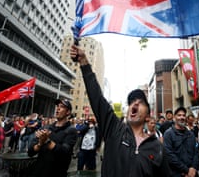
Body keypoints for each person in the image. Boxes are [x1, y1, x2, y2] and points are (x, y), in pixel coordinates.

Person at [70, 44, 171, 177]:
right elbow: (97, 98)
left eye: (140, 102)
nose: (134, 103)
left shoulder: (157, 148)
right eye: (131, 102)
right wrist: (84, 62)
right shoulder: (114, 129)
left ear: (148, 116)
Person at [27, 99, 77, 177]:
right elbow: (30, 152)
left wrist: (47, 141)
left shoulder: (71, 130)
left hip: (56, 173)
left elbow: (65, 153)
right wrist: (40, 144)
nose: (58, 108)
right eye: (57, 106)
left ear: (68, 112)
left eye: (62, 107)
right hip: (38, 171)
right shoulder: (46, 128)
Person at [163, 107, 199, 177]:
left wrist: (193, 168)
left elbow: (196, 152)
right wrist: (186, 170)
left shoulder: (191, 134)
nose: (182, 117)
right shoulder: (168, 134)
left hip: (193, 174)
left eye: (183, 115)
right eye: (179, 115)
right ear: (174, 117)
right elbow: (169, 155)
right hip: (177, 174)